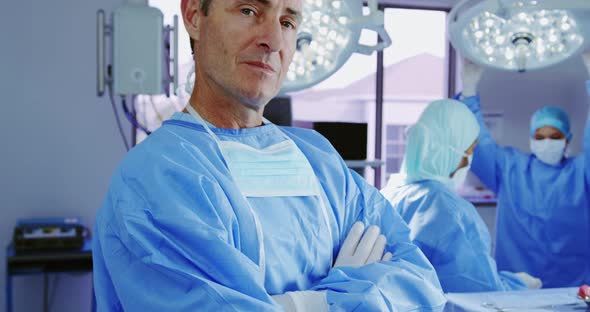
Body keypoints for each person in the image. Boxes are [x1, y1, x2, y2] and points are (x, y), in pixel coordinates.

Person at [92, 0, 446, 311]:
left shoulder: (319, 159)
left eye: (288, 22)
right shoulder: (156, 178)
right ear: (193, 15)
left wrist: (302, 305)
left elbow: (422, 285)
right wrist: (346, 297)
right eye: (249, 11)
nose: (273, 41)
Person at [458, 52, 590, 288]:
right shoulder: (510, 168)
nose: (546, 142)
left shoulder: (581, 173)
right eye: (540, 136)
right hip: (518, 286)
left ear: (567, 140)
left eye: (554, 136)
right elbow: (479, 142)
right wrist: (469, 92)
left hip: (574, 288)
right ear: (531, 139)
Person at [380, 99, 540, 293]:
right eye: (469, 150)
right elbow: (481, 291)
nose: (468, 160)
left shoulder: (389, 194)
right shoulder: (449, 210)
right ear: (450, 151)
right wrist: (519, 285)